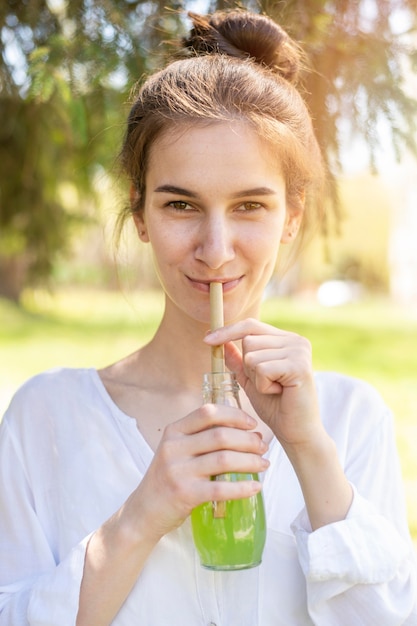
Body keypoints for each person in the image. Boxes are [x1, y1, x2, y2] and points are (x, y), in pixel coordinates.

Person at [0, 9, 416, 626]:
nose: (216, 248)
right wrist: (140, 515)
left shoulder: (351, 422)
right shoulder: (45, 419)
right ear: (139, 212)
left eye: (250, 205)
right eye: (181, 204)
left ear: (292, 216)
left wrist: (309, 453)